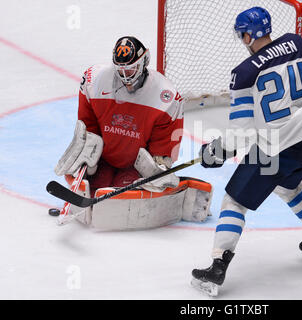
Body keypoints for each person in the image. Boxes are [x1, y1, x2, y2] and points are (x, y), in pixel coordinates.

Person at [191, 7, 302, 296]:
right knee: (288, 185)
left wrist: (216, 151)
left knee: (235, 201)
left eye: (242, 36)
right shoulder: (300, 44)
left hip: (278, 147)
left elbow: (243, 132)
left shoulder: (244, 74)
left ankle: (216, 268)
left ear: (248, 35)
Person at [54, 36, 212, 229]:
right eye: (120, 71)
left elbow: (163, 148)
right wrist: (87, 148)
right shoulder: (94, 80)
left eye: (130, 70)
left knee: (119, 192)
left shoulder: (166, 96)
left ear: (144, 61)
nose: (125, 78)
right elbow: (88, 124)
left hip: (134, 167)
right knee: (97, 183)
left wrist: (158, 166)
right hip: (103, 159)